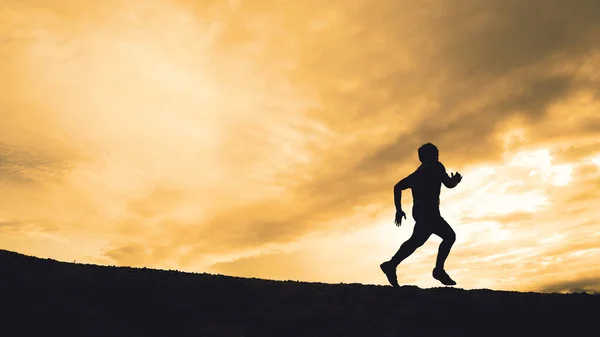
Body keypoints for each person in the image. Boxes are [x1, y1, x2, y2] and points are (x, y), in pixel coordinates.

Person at [380, 143, 462, 287]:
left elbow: (397, 187)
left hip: (420, 212)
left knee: (416, 241)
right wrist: (455, 181)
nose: (437, 157)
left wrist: (399, 210)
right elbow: (448, 184)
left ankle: (391, 265)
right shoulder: (436, 167)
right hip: (428, 212)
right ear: (426, 157)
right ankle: (438, 270)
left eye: (437, 154)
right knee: (449, 236)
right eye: (434, 154)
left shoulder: (417, 174)